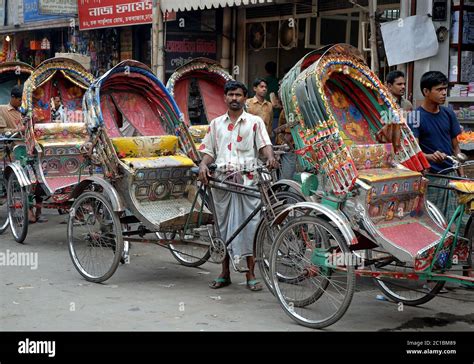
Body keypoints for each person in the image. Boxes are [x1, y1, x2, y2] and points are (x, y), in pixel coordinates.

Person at [198, 80, 278, 291]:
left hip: (248, 182)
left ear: (245, 98)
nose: (234, 98)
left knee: (250, 227)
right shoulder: (216, 124)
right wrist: (203, 166)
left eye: (238, 95)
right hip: (222, 183)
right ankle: (224, 273)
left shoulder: (255, 122)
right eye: (231, 95)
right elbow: (208, 151)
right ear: (225, 98)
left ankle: (251, 274)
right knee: (222, 228)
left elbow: (265, 145)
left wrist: (270, 157)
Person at [409, 71, 464, 222]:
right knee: (433, 222)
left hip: (451, 175)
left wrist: (462, 174)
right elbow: (415, 150)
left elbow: (456, 148)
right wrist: (430, 156)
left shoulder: (448, 113)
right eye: (439, 89)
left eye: (445, 89)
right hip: (432, 177)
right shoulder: (415, 117)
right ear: (426, 91)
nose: (444, 93)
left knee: (457, 221)